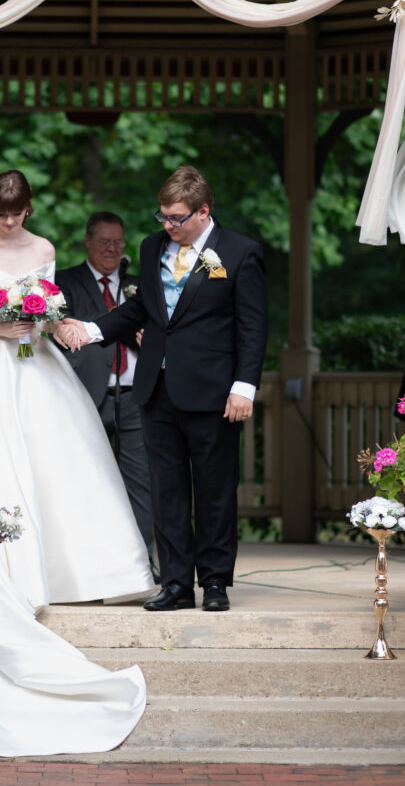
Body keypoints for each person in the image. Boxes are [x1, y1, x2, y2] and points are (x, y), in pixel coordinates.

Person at [0, 170, 154, 610]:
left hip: (33, 359)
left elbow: (46, 309)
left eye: (16, 214)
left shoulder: (43, 248)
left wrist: (61, 327)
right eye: (1, 214)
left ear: (29, 208)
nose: (8, 222)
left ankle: (77, 574)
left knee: (57, 457)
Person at [60, 165, 268, 613]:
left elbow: (253, 326)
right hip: (156, 388)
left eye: (176, 218)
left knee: (214, 490)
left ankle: (214, 582)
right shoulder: (152, 247)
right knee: (166, 491)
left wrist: (245, 386)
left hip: (214, 392)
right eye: (163, 217)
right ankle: (176, 583)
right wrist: (92, 330)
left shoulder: (239, 252)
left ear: (203, 211)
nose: (168, 226)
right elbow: (140, 311)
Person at [55, 212, 156, 573]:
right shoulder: (64, 282)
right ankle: (88, 567)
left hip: (134, 395)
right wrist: (127, 329)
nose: (112, 249)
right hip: (84, 397)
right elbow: (65, 333)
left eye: (118, 243)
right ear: (88, 241)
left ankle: (140, 565)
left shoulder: (140, 285)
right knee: (84, 483)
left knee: (140, 484)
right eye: (104, 242)